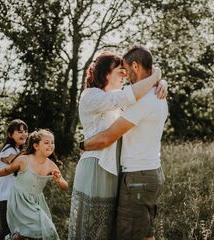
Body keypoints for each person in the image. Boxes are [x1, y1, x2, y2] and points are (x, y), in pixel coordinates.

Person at [68, 51, 167, 240]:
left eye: (125, 71)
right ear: (105, 73)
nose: (124, 76)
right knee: (93, 226)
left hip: (116, 169)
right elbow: (131, 95)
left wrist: (160, 83)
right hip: (97, 166)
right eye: (119, 72)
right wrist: (156, 77)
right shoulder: (92, 96)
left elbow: (136, 93)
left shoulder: (118, 98)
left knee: (111, 227)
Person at [0, 129, 68, 240]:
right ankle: (16, 237)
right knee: (46, 229)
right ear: (36, 146)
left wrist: (59, 180)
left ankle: (16, 238)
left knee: (37, 232)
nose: (50, 145)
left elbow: (64, 186)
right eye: (46, 142)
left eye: (52, 142)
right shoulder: (23, 160)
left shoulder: (51, 165)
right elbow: (6, 170)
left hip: (37, 202)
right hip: (20, 202)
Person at [0, 119, 28, 240]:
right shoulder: (8, 150)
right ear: (10, 135)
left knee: (14, 228)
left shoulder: (18, 149)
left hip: (8, 194)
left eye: (25, 131)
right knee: (5, 228)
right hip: (1, 194)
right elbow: (12, 160)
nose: (24, 134)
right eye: (19, 131)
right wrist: (31, 149)